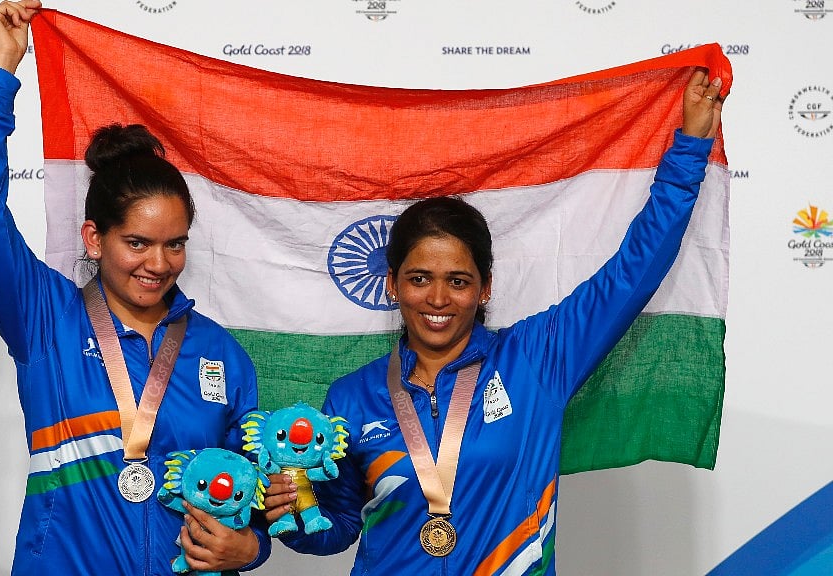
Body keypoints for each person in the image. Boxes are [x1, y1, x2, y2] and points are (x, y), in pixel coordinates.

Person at [264, 70, 726, 574]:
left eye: (458, 281)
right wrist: (296, 511)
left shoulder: (537, 359)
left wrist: (689, 149)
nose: (437, 298)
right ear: (392, 285)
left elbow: (632, 273)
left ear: (485, 288)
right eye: (419, 279)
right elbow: (339, 528)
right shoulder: (353, 396)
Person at [0, 2, 270, 574]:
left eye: (176, 243)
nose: (159, 263)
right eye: (138, 243)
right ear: (94, 239)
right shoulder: (45, 318)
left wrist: (253, 548)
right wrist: (2, 70)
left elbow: (252, 496)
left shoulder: (221, 354)